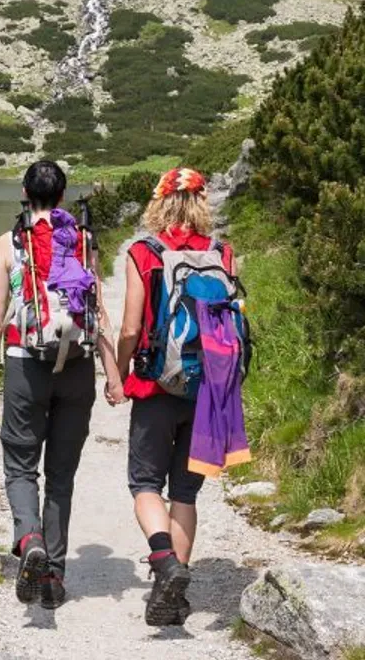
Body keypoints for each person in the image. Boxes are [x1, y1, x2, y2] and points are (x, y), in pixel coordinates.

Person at [0, 160, 124, 610]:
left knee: (20, 463)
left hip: (25, 365)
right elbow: (95, 311)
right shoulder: (81, 239)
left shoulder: (8, 244)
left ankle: (29, 537)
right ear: (62, 196)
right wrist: (113, 375)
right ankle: (54, 577)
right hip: (76, 366)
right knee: (61, 475)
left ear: (24, 192)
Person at [109, 165, 241, 627]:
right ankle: (172, 598)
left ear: (158, 203)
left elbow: (129, 328)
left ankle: (165, 563)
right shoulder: (223, 254)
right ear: (202, 203)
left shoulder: (144, 252)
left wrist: (119, 374)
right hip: (209, 391)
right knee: (185, 492)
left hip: (155, 385)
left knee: (145, 483)